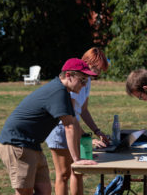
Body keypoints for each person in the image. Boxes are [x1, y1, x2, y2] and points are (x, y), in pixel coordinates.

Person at [0, 58, 98, 195]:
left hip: (33, 145)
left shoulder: (64, 93)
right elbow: (68, 127)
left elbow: (73, 122)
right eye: (82, 80)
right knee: (24, 191)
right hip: (17, 144)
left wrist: (89, 140)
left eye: (86, 81)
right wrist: (77, 160)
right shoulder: (58, 92)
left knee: (44, 190)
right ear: (68, 75)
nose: (85, 85)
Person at [46, 47, 110, 195]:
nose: (97, 73)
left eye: (100, 71)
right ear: (87, 62)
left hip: (73, 128)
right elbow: (71, 117)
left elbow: (84, 110)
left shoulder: (87, 81)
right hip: (61, 128)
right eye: (96, 68)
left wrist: (97, 131)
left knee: (78, 171)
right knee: (63, 174)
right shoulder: (74, 81)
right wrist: (86, 138)